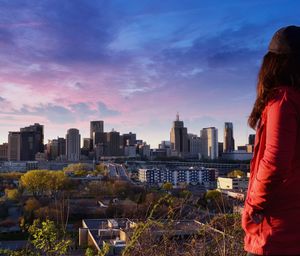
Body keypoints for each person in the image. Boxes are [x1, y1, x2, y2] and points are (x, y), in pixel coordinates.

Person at [243, 25, 300, 256]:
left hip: (277, 232)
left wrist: (253, 205)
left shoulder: (283, 101)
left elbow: (274, 162)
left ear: (272, 64)